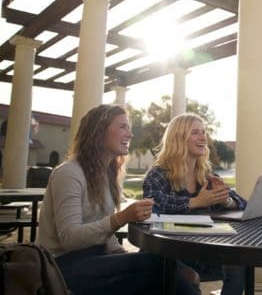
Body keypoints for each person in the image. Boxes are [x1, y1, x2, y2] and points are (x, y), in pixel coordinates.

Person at [37, 104, 199, 295]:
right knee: (162, 268)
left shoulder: (105, 175)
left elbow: (103, 233)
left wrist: (121, 257)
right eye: (122, 127)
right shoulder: (69, 173)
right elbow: (70, 239)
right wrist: (120, 218)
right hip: (61, 268)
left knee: (161, 265)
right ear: (98, 131)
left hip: (95, 260)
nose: (130, 134)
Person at [143, 113, 247, 295]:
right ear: (179, 138)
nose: (203, 137)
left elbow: (242, 203)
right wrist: (196, 202)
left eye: (203, 132)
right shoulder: (158, 174)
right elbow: (154, 205)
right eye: (195, 133)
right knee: (187, 277)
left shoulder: (206, 175)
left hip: (201, 250)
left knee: (238, 262)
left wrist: (226, 200)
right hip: (167, 252)